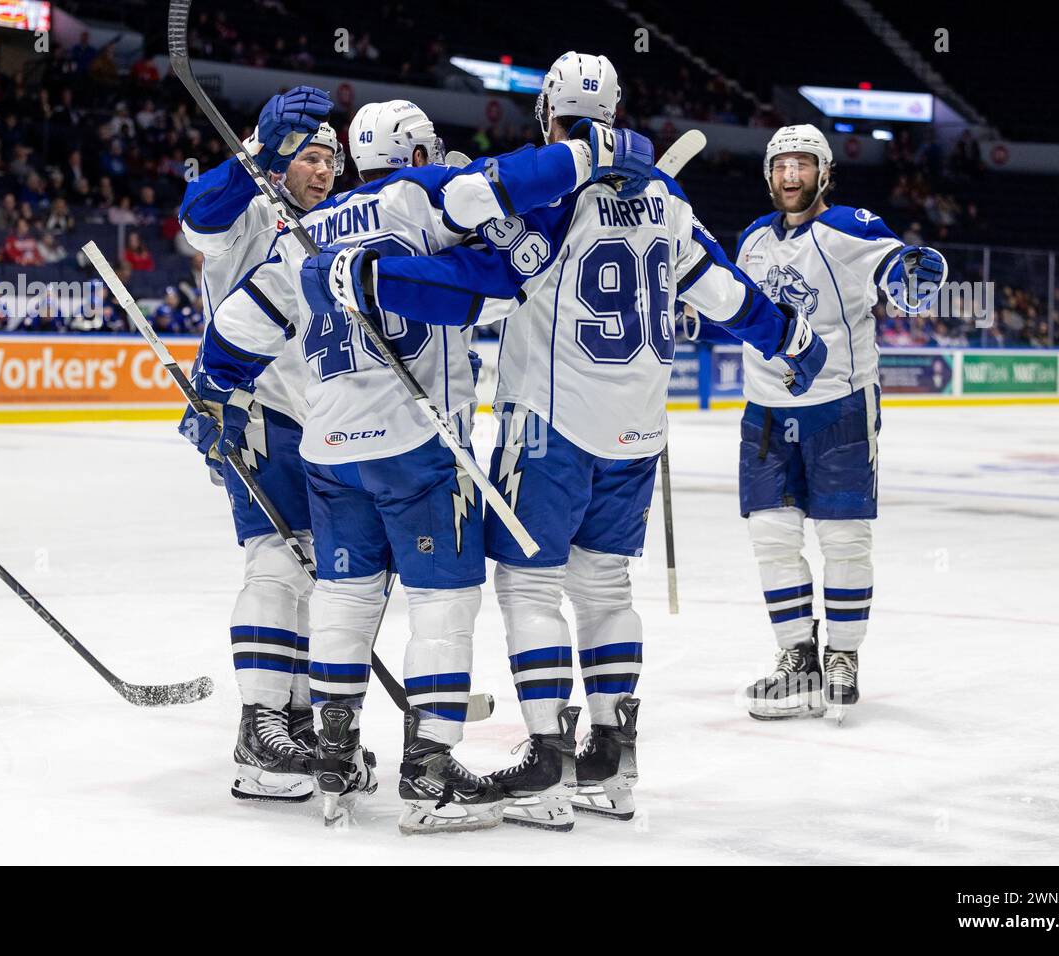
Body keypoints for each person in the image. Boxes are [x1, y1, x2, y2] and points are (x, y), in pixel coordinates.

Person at [308, 54, 826, 830]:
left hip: (547, 427)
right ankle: (613, 759)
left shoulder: (553, 195)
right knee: (606, 588)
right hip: (638, 431)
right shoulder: (666, 196)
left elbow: (480, 281)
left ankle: (548, 759)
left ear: (548, 114)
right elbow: (723, 293)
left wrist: (375, 282)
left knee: (528, 587)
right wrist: (792, 339)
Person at [199, 95, 653, 833]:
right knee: (444, 603)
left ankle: (336, 754)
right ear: (415, 155)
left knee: (344, 598)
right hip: (416, 444)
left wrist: (210, 392)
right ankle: (430, 768)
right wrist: (593, 156)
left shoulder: (305, 228)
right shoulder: (425, 195)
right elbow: (508, 183)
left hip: (328, 450)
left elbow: (243, 322)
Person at [732, 125, 944, 720]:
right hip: (767, 410)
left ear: (824, 173)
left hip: (841, 404)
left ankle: (843, 655)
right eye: (780, 166)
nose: (789, 176)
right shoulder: (751, 239)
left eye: (801, 165)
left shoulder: (850, 227)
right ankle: (797, 660)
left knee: (843, 536)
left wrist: (913, 275)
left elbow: (899, 274)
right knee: (771, 537)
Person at [177, 87, 335, 804]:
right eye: (309, 154)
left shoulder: (334, 222)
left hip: (326, 418)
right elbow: (195, 216)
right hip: (256, 413)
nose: (324, 168)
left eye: (331, 155)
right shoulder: (247, 208)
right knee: (276, 562)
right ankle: (259, 726)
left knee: (313, 571)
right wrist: (256, 157)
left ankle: (294, 720)